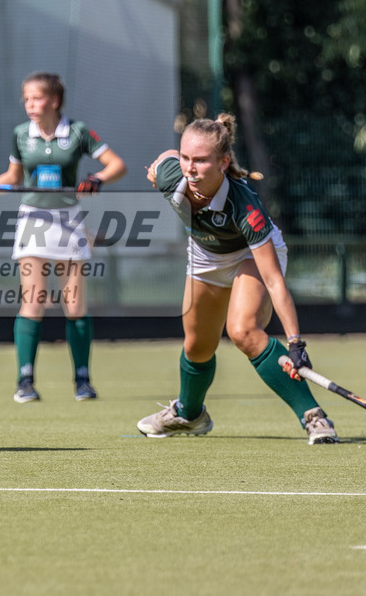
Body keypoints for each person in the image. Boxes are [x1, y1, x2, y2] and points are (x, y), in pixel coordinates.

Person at [136, 113, 337, 445]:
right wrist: (161, 162)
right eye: (186, 158)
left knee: (243, 331)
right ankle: (189, 414)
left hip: (250, 254)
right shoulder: (173, 177)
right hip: (205, 255)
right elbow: (168, 159)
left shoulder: (245, 206)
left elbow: (274, 280)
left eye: (201, 160)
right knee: (197, 346)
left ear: (223, 162)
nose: (190, 169)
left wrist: (295, 343)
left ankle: (314, 416)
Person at [0, 72, 126, 403]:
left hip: (68, 220)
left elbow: (117, 165)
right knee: (34, 299)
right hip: (32, 220)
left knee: (74, 304)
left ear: (54, 101)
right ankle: (25, 381)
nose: (29, 104)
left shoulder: (78, 132)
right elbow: (14, 177)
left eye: (36, 98)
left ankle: (82, 380)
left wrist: (96, 178)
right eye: (26, 98)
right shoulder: (21, 134)